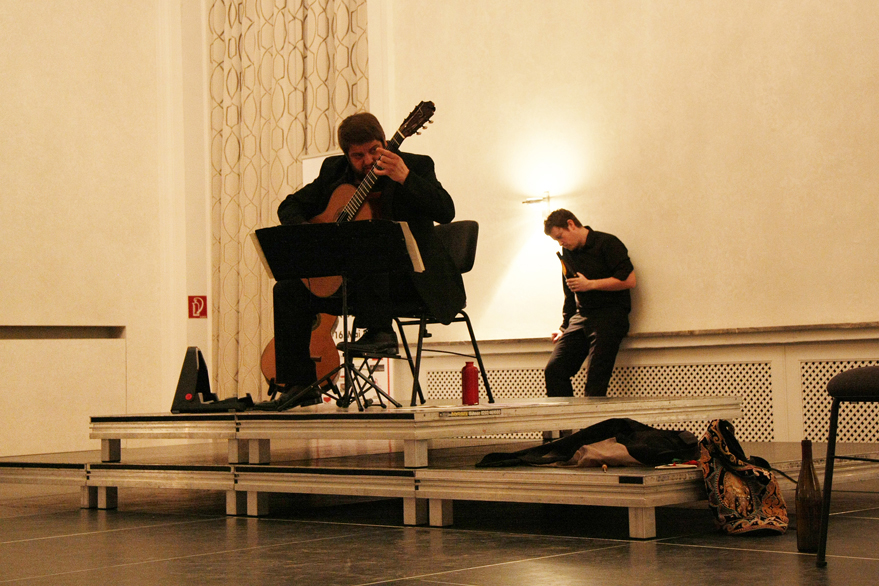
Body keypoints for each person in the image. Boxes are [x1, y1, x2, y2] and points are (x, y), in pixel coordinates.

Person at [259, 112, 465, 409]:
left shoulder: (417, 165)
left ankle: (380, 332)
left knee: (372, 238)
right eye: (358, 155)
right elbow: (289, 206)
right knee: (288, 290)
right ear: (347, 155)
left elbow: (446, 211)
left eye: (374, 150)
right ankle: (300, 384)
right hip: (355, 285)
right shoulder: (334, 171)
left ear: (385, 142)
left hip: (408, 282)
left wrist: (405, 177)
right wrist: (312, 234)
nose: (368, 160)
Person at [543, 209, 636, 398]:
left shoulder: (607, 243)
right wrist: (564, 327)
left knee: (595, 382)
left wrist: (590, 285)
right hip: (582, 316)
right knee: (554, 370)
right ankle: (564, 418)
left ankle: (591, 418)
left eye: (560, 237)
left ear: (571, 224)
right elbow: (570, 292)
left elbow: (629, 280)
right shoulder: (567, 253)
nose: (561, 243)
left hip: (610, 315)